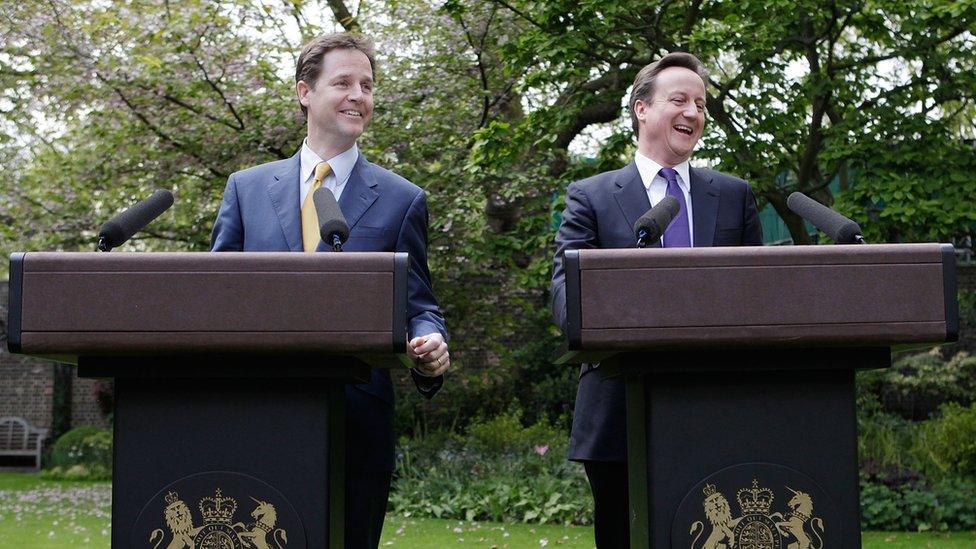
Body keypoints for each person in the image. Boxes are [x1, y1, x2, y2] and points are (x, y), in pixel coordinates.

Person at [211, 33, 450, 549]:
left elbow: (419, 304)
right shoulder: (246, 189)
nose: (358, 95)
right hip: (259, 412)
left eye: (367, 85)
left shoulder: (402, 198)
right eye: (342, 82)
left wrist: (431, 343)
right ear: (304, 92)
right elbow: (218, 299)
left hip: (357, 421)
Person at [549, 52, 762, 548]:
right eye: (679, 100)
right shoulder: (592, 196)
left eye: (701, 104)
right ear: (641, 109)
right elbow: (566, 292)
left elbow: (758, 291)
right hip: (619, 408)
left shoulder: (732, 196)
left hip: (715, 406)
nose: (693, 112)